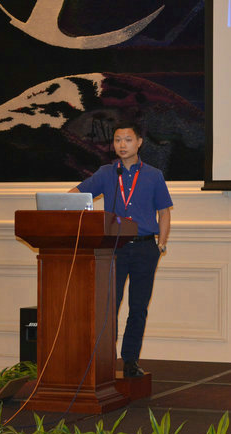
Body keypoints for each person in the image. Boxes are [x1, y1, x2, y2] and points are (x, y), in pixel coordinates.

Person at [70, 122, 173, 377]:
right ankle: (105, 360)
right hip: (114, 249)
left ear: (139, 142)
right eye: (117, 140)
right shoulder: (106, 173)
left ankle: (130, 361)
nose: (122, 145)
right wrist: (57, 204)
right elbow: (76, 194)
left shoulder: (154, 175)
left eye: (127, 140)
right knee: (109, 307)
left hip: (145, 248)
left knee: (138, 308)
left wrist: (161, 245)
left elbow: (164, 212)